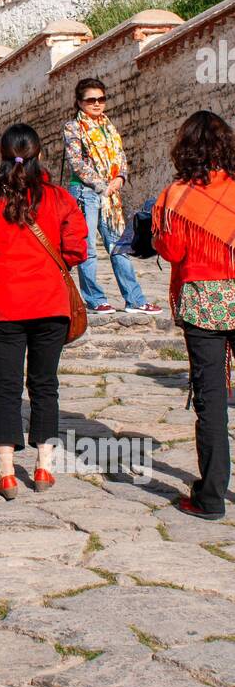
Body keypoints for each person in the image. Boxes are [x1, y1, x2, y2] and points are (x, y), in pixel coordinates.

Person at [0, 124, 88, 500]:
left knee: (5, 387)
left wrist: (5, 269)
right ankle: (44, 466)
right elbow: (77, 249)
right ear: (41, 156)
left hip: (4, 304)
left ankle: (4, 472)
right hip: (50, 303)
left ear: (1, 156)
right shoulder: (59, 198)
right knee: (44, 384)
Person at [153, 110, 235, 521]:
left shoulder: (178, 196)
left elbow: (171, 250)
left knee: (212, 398)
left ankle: (211, 495)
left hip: (202, 299)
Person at [63, 79, 160, 316]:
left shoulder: (109, 127)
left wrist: (120, 178)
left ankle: (134, 299)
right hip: (86, 192)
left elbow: (120, 157)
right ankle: (95, 299)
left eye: (101, 99)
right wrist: (101, 185)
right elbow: (77, 163)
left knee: (120, 246)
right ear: (79, 102)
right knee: (89, 249)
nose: (97, 104)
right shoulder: (73, 128)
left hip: (111, 195)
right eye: (91, 100)